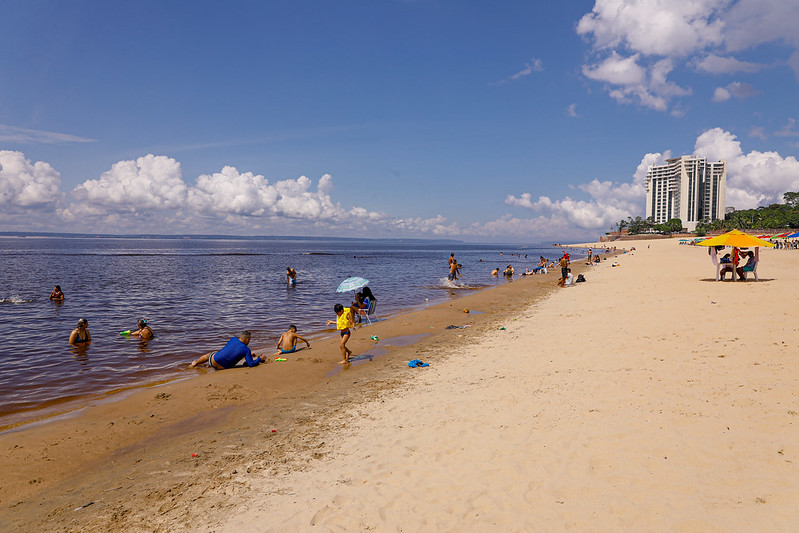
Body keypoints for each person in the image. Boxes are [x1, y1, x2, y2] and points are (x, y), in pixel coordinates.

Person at [189, 331, 263, 369]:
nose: (249, 342)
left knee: (209, 355)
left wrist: (248, 354)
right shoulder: (246, 350)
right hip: (223, 367)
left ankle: (196, 363)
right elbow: (251, 364)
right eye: (249, 340)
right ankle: (203, 365)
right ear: (247, 340)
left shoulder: (233, 339)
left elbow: (232, 351)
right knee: (225, 358)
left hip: (213, 361)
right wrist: (260, 358)